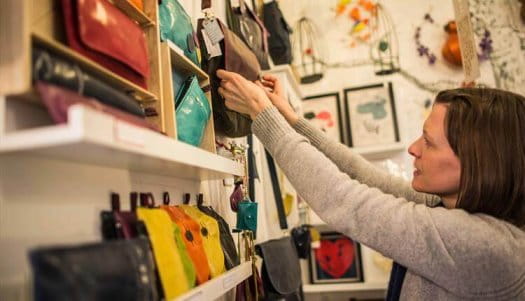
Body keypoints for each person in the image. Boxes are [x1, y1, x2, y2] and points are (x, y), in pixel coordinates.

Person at [216, 69, 525, 300]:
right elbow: (361, 175)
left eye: (429, 143)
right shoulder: (457, 210)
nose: (413, 148)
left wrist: (264, 116)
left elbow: (347, 200)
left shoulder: (488, 246)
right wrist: (290, 119)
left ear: (476, 164)